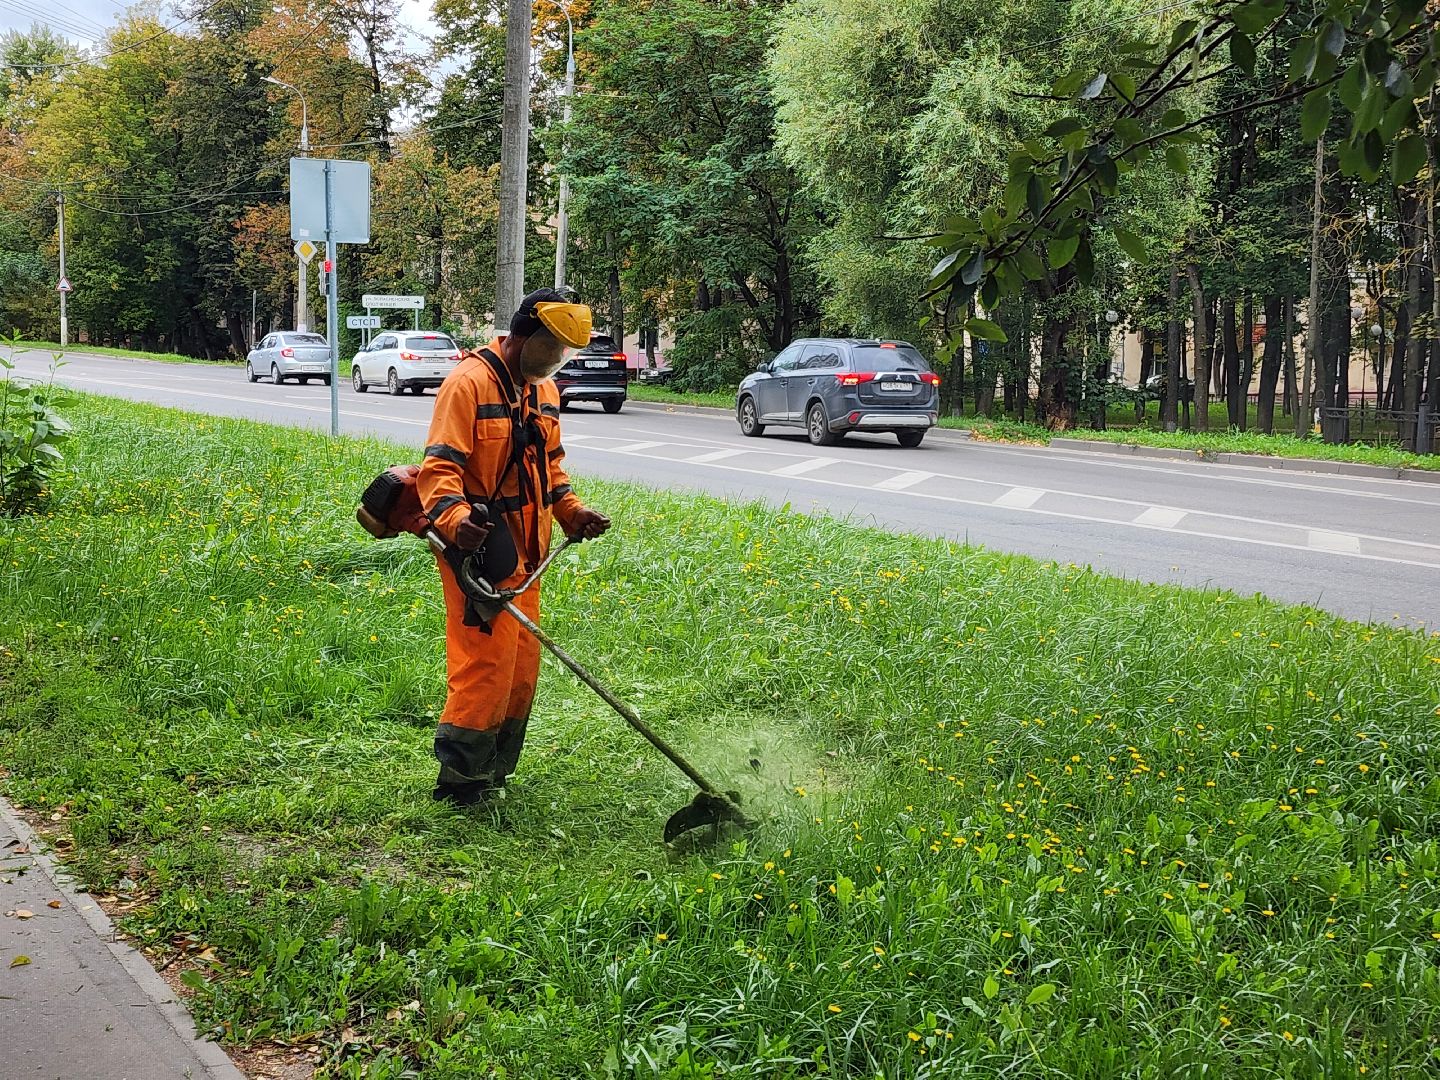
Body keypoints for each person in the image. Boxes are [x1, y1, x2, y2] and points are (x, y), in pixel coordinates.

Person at [417, 288, 611, 805]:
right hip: (479, 550)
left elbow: (551, 469)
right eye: (551, 348)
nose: (555, 361)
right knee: (485, 665)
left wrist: (571, 512)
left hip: (528, 552)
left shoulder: (542, 391)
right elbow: (438, 472)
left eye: (564, 353)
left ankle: (494, 773)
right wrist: (457, 523)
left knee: (521, 666)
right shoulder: (468, 384)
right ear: (522, 335)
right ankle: (460, 783)